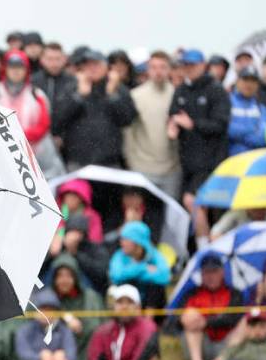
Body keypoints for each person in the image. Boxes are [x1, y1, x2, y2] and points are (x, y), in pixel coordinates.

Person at [167, 49, 230, 247]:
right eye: (185, 65)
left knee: (193, 202)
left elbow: (220, 124)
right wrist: (173, 127)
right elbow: (174, 115)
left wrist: (193, 124)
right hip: (188, 163)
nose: (189, 69)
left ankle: (205, 249)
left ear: (203, 65)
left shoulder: (216, 90)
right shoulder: (181, 90)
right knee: (193, 207)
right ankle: (198, 249)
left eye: (193, 65)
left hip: (212, 162)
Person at [73, 284, 166, 360]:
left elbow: (142, 355)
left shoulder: (147, 327)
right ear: (114, 307)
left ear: (138, 307)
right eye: (120, 302)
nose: (124, 306)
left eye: (129, 302)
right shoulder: (103, 331)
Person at [52, 49, 136, 169]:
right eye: (87, 65)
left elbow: (127, 119)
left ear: (107, 67)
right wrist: (79, 96)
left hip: (110, 162)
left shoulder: (117, 88)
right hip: (77, 162)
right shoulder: (71, 87)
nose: (92, 68)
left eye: (96, 64)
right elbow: (58, 121)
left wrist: (112, 95)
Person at [177, 254, 243, 360]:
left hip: (226, 345)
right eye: (207, 272)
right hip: (200, 344)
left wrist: (206, 322)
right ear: (201, 274)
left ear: (222, 273)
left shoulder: (234, 293)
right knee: (190, 315)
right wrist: (190, 319)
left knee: (246, 322)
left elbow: (233, 319)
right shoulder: (191, 293)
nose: (210, 276)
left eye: (214, 271)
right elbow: (177, 321)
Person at [0, 50, 55, 174]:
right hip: (0, 156)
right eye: (12, 67)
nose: (16, 71)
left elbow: (44, 125)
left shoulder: (37, 95)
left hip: (32, 159)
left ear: (26, 70)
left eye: (20, 67)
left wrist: (19, 138)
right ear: (5, 68)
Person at [123, 51, 180, 199]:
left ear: (169, 69)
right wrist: (131, 161)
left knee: (170, 219)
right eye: (154, 67)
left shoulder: (178, 95)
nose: (158, 71)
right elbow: (128, 132)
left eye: (162, 67)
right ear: (148, 69)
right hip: (142, 167)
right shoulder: (135, 96)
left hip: (172, 169)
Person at [15, 289, 76, 360]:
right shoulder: (26, 330)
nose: (46, 313)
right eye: (43, 309)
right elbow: (23, 353)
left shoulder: (64, 330)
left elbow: (71, 354)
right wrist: (40, 359)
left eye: (50, 309)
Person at [50, 253, 105, 360]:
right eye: (60, 276)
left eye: (69, 275)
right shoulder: (48, 299)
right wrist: (63, 319)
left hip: (86, 358)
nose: (64, 280)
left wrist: (78, 327)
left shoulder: (90, 297)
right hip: (56, 358)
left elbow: (94, 328)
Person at [108, 221, 170, 309]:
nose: (122, 243)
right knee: (126, 284)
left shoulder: (154, 255)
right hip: (129, 305)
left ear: (137, 241)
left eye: (125, 239)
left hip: (149, 304)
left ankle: (148, 322)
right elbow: (116, 276)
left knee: (155, 287)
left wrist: (131, 272)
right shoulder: (119, 255)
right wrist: (143, 268)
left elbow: (164, 277)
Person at [227, 66, 266, 155]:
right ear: (237, 81)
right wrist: (253, 129)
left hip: (254, 162)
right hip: (229, 161)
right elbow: (227, 130)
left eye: (253, 80)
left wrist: (238, 135)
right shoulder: (226, 103)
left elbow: (263, 137)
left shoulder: (262, 109)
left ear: (258, 84)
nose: (249, 84)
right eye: (245, 79)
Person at [55, 179, 103, 243]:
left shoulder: (92, 216)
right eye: (67, 196)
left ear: (82, 199)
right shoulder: (57, 213)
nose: (69, 200)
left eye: (73, 197)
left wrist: (81, 240)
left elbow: (96, 240)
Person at [32, 42, 75, 113]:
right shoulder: (32, 81)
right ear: (42, 60)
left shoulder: (73, 82)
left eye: (58, 59)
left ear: (64, 59)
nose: (54, 63)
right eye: (50, 59)